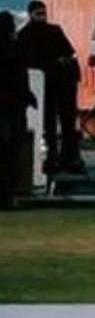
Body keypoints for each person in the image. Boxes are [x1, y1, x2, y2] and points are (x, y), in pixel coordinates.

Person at [16, 0, 84, 174]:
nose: (42, 17)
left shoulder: (55, 31)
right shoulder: (24, 35)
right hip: (42, 87)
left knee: (68, 122)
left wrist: (63, 64)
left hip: (62, 84)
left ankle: (69, 157)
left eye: (44, 13)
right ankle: (50, 158)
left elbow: (69, 53)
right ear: (31, 15)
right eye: (38, 14)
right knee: (48, 125)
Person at [0, 11, 34, 208]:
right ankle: (7, 197)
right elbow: (21, 79)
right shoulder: (15, 49)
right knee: (11, 153)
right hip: (12, 108)